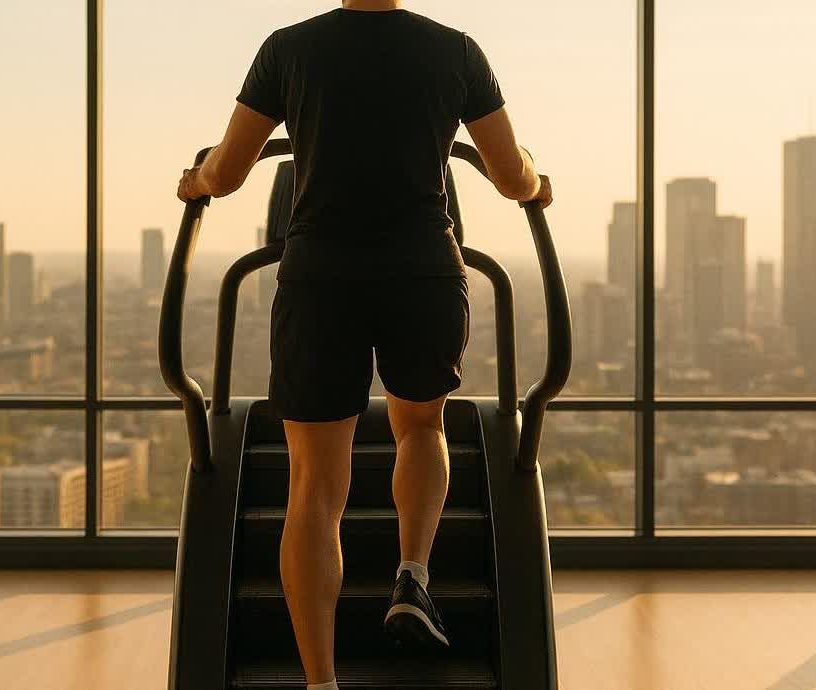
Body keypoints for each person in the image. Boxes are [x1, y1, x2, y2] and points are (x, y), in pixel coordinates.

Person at [175, 1, 552, 688]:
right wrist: (534, 177)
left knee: (314, 486)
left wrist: (195, 180)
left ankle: (321, 681)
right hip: (424, 272)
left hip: (321, 277)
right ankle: (412, 577)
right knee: (422, 426)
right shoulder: (456, 51)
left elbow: (226, 173)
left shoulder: (288, 49)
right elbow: (510, 177)